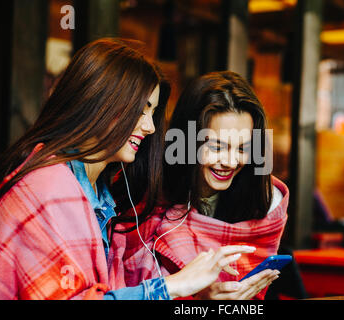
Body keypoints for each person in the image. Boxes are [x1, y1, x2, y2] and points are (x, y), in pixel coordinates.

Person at [0, 38, 255, 300]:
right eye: (141, 111)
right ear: (98, 104)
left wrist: (198, 299)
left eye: (152, 113)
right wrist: (172, 286)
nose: (150, 127)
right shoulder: (50, 188)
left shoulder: (101, 193)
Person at [117, 71, 288, 300]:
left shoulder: (265, 202)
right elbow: (124, 287)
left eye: (242, 149)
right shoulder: (144, 193)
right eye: (217, 147)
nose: (230, 162)